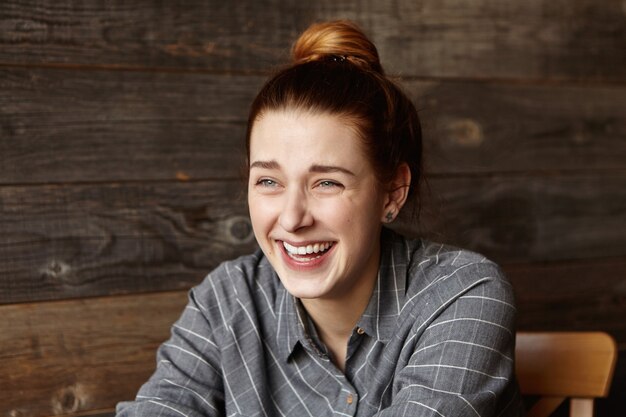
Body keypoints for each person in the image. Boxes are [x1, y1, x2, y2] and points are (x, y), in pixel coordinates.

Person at [116, 20, 525, 417]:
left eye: (326, 183)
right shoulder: (226, 302)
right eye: (269, 181)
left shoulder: (463, 294)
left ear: (392, 192)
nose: (292, 219)